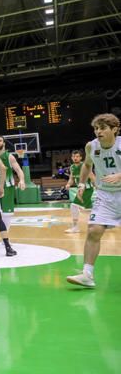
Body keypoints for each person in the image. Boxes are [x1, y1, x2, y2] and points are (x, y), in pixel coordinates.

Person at [66, 114, 121, 288]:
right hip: (105, 194)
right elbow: (87, 165)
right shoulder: (91, 146)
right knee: (94, 230)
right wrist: (81, 183)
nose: (98, 131)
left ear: (114, 129)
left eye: (103, 128)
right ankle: (87, 275)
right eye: (96, 128)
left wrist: (119, 175)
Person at [0, 136, 26, 248]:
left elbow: (18, 170)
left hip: (8, 187)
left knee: (7, 215)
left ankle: (5, 239)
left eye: (0, 140)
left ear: (4, 143)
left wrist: (22, 180)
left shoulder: (9, 157)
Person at [64, 150, 96, 233]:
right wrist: (68, 184)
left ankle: (75, 227)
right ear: (71, 158)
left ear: (81, 157)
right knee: (89, 210)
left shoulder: (84, 166)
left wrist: (97, 186)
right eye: (74, 156)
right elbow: (71, 178)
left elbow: (92, 176)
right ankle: (104, 223)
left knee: (74, 206)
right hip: (81, 189)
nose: (75, 158)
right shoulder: (72, 167)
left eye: (77, 156)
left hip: (87, 189)